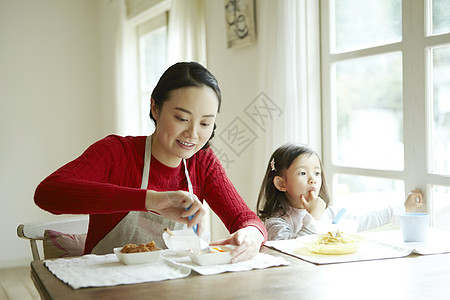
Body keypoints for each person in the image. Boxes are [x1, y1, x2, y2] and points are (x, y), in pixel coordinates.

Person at [35, 62, 266, 262]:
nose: (193, 134)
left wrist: (252, 234)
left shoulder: (203, 163)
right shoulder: (117, 152)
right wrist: (149, 199)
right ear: (155, 108)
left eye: (205, 123)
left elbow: (246, 219)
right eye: (181, 118)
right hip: (108, 290)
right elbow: (47, 193)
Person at [256, 143, 423, 240]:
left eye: (316, 172)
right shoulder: (276, 224)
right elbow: (294, 250)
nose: (313, 179)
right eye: (302, 173)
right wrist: (313, 217)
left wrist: (403, 208)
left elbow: (365, 220)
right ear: (281, 183)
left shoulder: (332, 215)